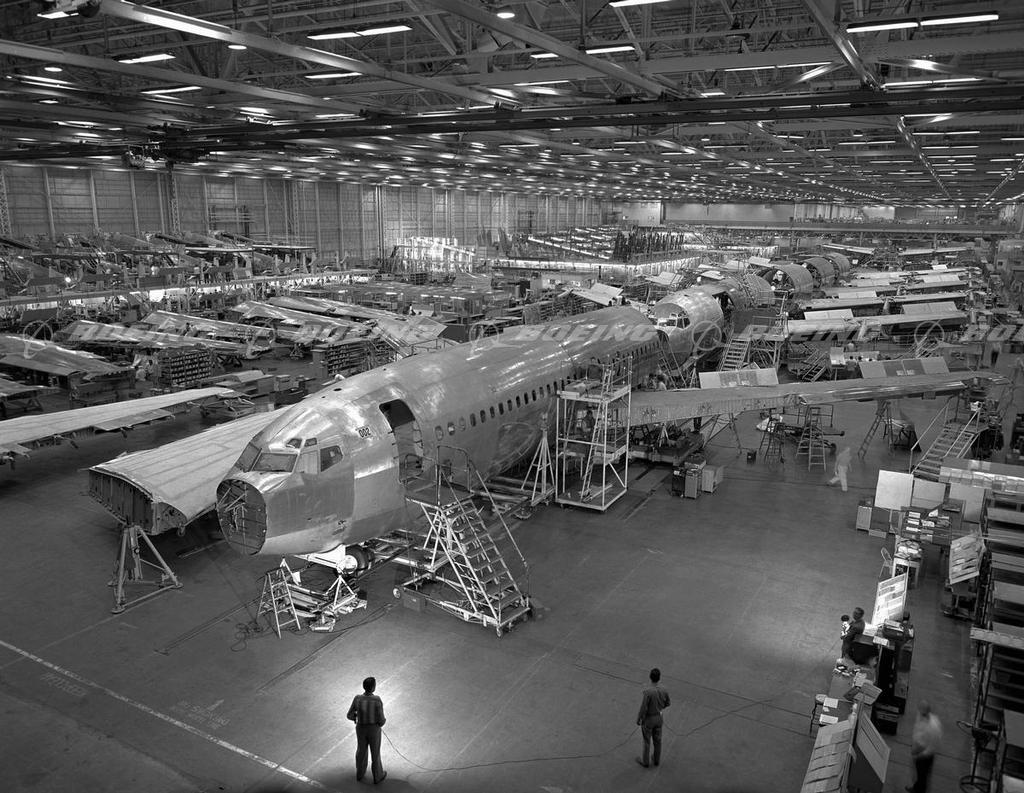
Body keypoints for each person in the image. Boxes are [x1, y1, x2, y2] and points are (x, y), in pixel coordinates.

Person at [347, 676, 387, 784]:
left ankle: (360, 774)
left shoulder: (357, 698)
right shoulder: (377, 700)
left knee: (361, 751)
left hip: (361, 728)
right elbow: (381, 720)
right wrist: (380, 723)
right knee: (375, 753)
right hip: (374, 730)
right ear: (373, 687)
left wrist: (356, 717)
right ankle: (377, 776)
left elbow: (349, 715)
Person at [636, 667, 670, 768]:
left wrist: (639, 718)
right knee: (658, 740)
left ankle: (645, 762)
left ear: (650, 677)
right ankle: (656, 759)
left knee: (647, 740)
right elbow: (668, 703)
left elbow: (643, 708)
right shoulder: (664, 689)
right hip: (659, 717)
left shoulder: (648, 691)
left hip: (649, 719)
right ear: (659, 677)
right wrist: (660, 708)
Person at [908, 701, 942, 792]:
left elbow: (927, 746)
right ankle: (916, 787)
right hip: (923, 751)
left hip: (924, 756)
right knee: (920, 775)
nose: (919, 713)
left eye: (920, 712)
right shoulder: (926, 717)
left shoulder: (930, 727)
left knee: (922, 776)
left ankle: (920, 790)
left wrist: (917, 753)